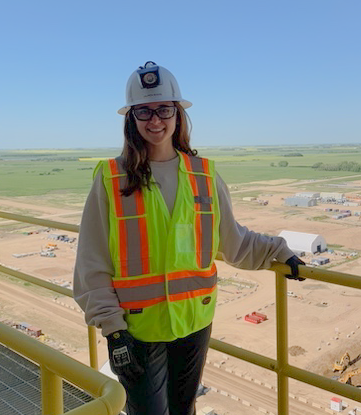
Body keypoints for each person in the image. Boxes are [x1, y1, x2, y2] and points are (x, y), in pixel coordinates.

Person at [73, 61, 305, 415]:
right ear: (131, 118)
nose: (155, 120)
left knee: (184, 411)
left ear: (178, 114)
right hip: (136, 328)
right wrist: (113, 330)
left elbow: (234, 241)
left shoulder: (204, 176)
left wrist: (279, 250)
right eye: (144, 111)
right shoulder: (111, 178)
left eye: (164, 109)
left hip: (194, 322)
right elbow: (92, 261)